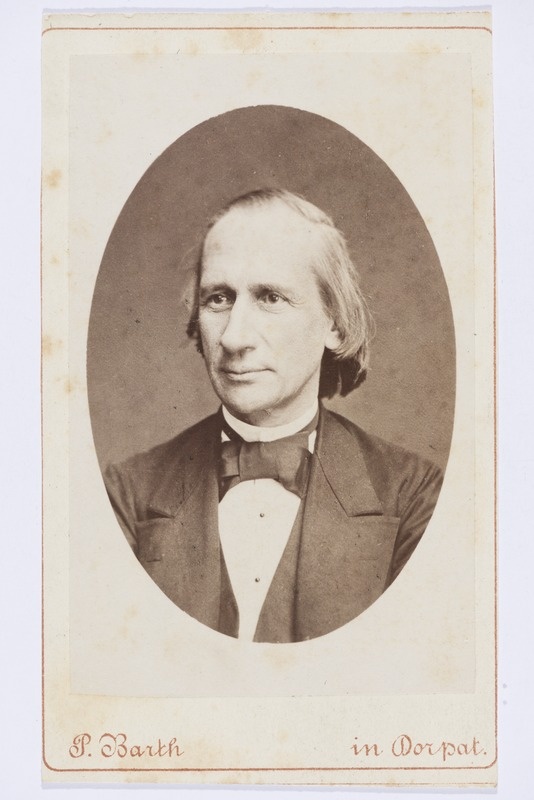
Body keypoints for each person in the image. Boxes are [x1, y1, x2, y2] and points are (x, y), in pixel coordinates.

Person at [105, 188, 443, 643]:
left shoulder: (413, 497)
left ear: (334, 323)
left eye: (270, 298)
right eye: (218, 299)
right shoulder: (127, 493)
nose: (234, 338)